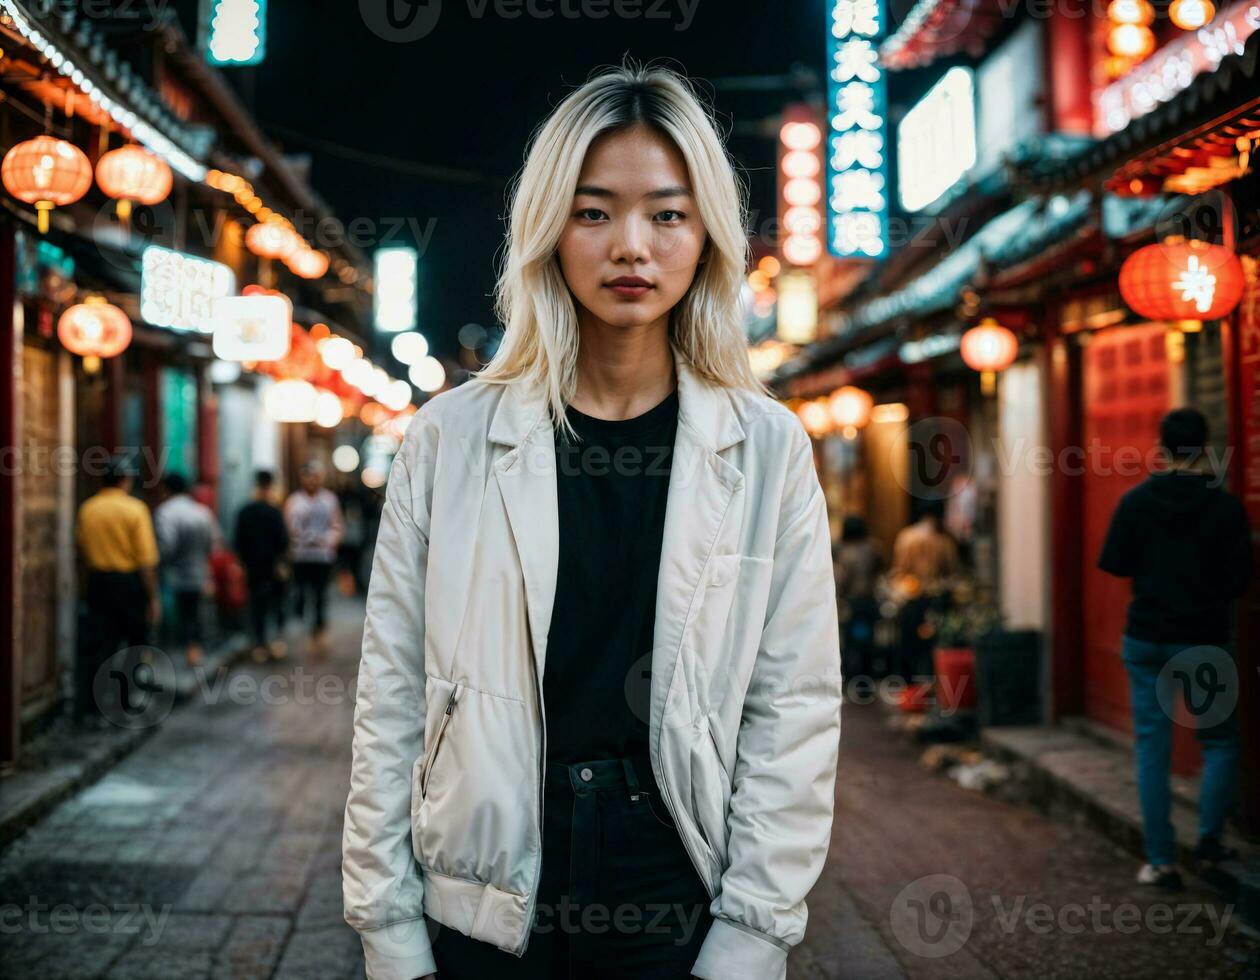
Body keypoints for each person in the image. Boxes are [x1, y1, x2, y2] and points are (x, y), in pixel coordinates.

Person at [342, 63, 842, 980]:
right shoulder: (450, 440)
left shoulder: (765, 448)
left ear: (707, 236)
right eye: (594, 210)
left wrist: (755, 929)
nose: (632, 247)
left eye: (667, 212)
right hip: (485, 891)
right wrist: (387, 924)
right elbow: (394, 695)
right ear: (548, 230)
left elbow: (792, 705)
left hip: (673, 881)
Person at [1098, 407, 1252, 891]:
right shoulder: (1226, 508)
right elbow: (1241, 581)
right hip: (1203, 639)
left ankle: (1161, 860)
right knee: (1220, 741)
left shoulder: (1136, 501)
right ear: (1206, 448)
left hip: (1146, 639)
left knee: (1152, 748)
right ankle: (1209, 842)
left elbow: (1117, 565)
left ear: (1162, 449)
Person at [74, 456, 160, 722]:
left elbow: (82, 556)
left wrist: (83, 591)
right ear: (125, 481)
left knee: (101, 644)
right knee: (134, 643)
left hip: (99, 584)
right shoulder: (135, 509)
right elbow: (145, 561)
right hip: (129, 584)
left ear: (102, 480)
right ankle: (125, 700)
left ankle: (95, 706)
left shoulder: (88, 509)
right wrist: (153, 598)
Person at [153, 473, 219, 667]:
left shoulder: (165, 512)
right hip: (199, 571)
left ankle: (171, 653)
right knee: (194, 612)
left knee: (179, 613)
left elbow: (166, 546)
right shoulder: (202, 512)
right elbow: (212, 543)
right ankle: (194, 650)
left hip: (175, 574)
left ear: (166, 489)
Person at [889, 498, 959, 680]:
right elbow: (952, 572)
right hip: (935, 598)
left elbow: (898, 569)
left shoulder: (906, 537)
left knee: (908, 644)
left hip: (910, 596)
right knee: (932, 645)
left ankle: (909, 686)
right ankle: (931, 683)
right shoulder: (943, 540)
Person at [284, 461, 344, 655]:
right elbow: (287, 527)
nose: (311, 481)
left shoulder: (329, 500)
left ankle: (318, 628)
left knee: (320, 594)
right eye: (307, 477)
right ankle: (299, 623)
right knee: (300, 591)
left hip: (322, 556)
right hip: (300, 555)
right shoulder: (293, 501)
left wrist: (327, 541)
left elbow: (337, 525)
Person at [234, 470, 290, 661]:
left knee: (257, 606)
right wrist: (282, 563)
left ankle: (259, 645)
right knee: (276, 605)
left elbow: (238, 541)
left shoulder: (244, 511)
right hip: (273, 567)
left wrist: (242, 564)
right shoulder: (274, 511)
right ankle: (276, 643)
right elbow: (283, 541)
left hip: (253, 567)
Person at [834, 515, 884, 682]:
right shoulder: (874, 548)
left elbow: (841, 578)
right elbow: (880, 571)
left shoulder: (842, 550)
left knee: (850, 643)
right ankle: (868, 675)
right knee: (870, 642)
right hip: (869, 601)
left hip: (851, 603)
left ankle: (851, 676)